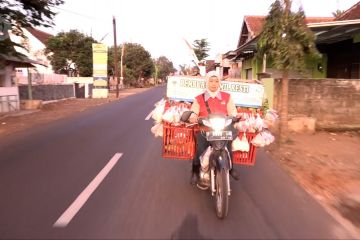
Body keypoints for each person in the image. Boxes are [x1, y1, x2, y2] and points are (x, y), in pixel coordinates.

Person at [189, 71, 240, 186]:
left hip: (223, 130)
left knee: (228, 147)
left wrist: (234, 116)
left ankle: (231, 169)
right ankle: (195, 171)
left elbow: (233, 111)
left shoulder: (227, 97)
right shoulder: (199, 98)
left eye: (216, 81)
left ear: (219, 83)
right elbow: (193, 112)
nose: (214, 84)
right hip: (205, 130)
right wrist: (193, 117)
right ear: (207, 82)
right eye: (211, 81)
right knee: (200, 150)